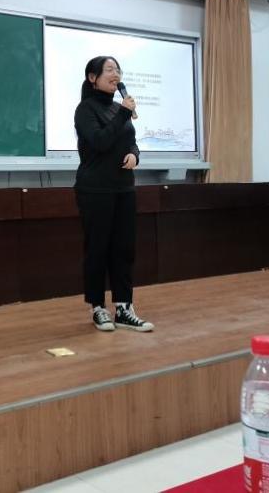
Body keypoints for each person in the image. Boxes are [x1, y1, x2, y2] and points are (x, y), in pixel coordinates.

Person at [74, 56, 154, 333]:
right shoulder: (85, 109)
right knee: (98, 248)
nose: (115, 73)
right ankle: (98, 307)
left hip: (123, 188)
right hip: (95, 189)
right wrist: (123, 113)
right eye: (109, 69)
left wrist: (134, 155)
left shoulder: (120, 109)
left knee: (124, 249)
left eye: (117, 69)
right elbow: (100, 142)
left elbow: (130, 141)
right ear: (92, 77)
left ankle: (123, 308)